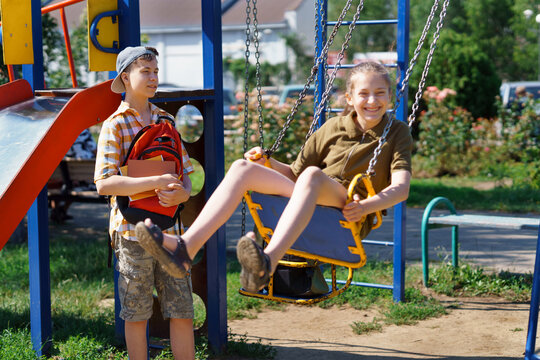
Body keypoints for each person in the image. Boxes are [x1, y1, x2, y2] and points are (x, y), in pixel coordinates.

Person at [135, 61, 413, 294]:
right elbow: (294, 173)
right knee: (242, 168)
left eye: (380, 93)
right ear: (350, 98)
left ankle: (268, 260)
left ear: (390, 96)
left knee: (313, 176)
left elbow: (401, 188)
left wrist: (365, 207)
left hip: (349, 209)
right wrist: (267, 162)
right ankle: (187, 248)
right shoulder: (333, 128)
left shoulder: (397, 132)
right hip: (311, 196)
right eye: (364, 93)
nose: (372, 101)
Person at [94, 46, 195, 360]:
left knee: (182, 309)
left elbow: (186, 172)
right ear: (125, 77)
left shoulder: (166, 119)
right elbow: (104, 183)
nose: (154, 78)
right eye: (145, 72)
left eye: (156, 72)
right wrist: (154, 182)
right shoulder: (115, 125)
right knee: (136, 312)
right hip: (131, 232)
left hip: (168, 231)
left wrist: (184, 193)